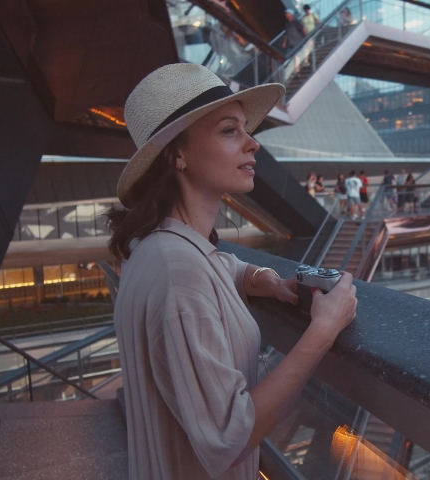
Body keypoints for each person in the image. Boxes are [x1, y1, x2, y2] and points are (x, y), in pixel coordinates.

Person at [108, 64, 357, 480]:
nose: (253, 144)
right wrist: (323, 332)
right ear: (177, 154)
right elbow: (230, 435)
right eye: (230, 131)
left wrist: (265, 280)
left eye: (246, 129)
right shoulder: (179, 273)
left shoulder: (160, 248)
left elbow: (220, 264)